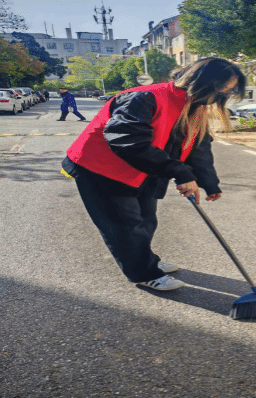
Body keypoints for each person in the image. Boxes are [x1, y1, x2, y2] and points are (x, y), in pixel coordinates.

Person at [60, 58, 246, 291]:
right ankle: (143, 273)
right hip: (102, 169)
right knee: (125, 227)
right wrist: (179, 172)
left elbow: (197, 146)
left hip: (145, 169)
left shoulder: (194, 106)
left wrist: (209, 183)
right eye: (220, 88)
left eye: (228, 91)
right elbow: (127, 140)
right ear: (202, 81)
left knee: (147, 220)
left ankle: (146, 260)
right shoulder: (145, 97)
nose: (221, 96)